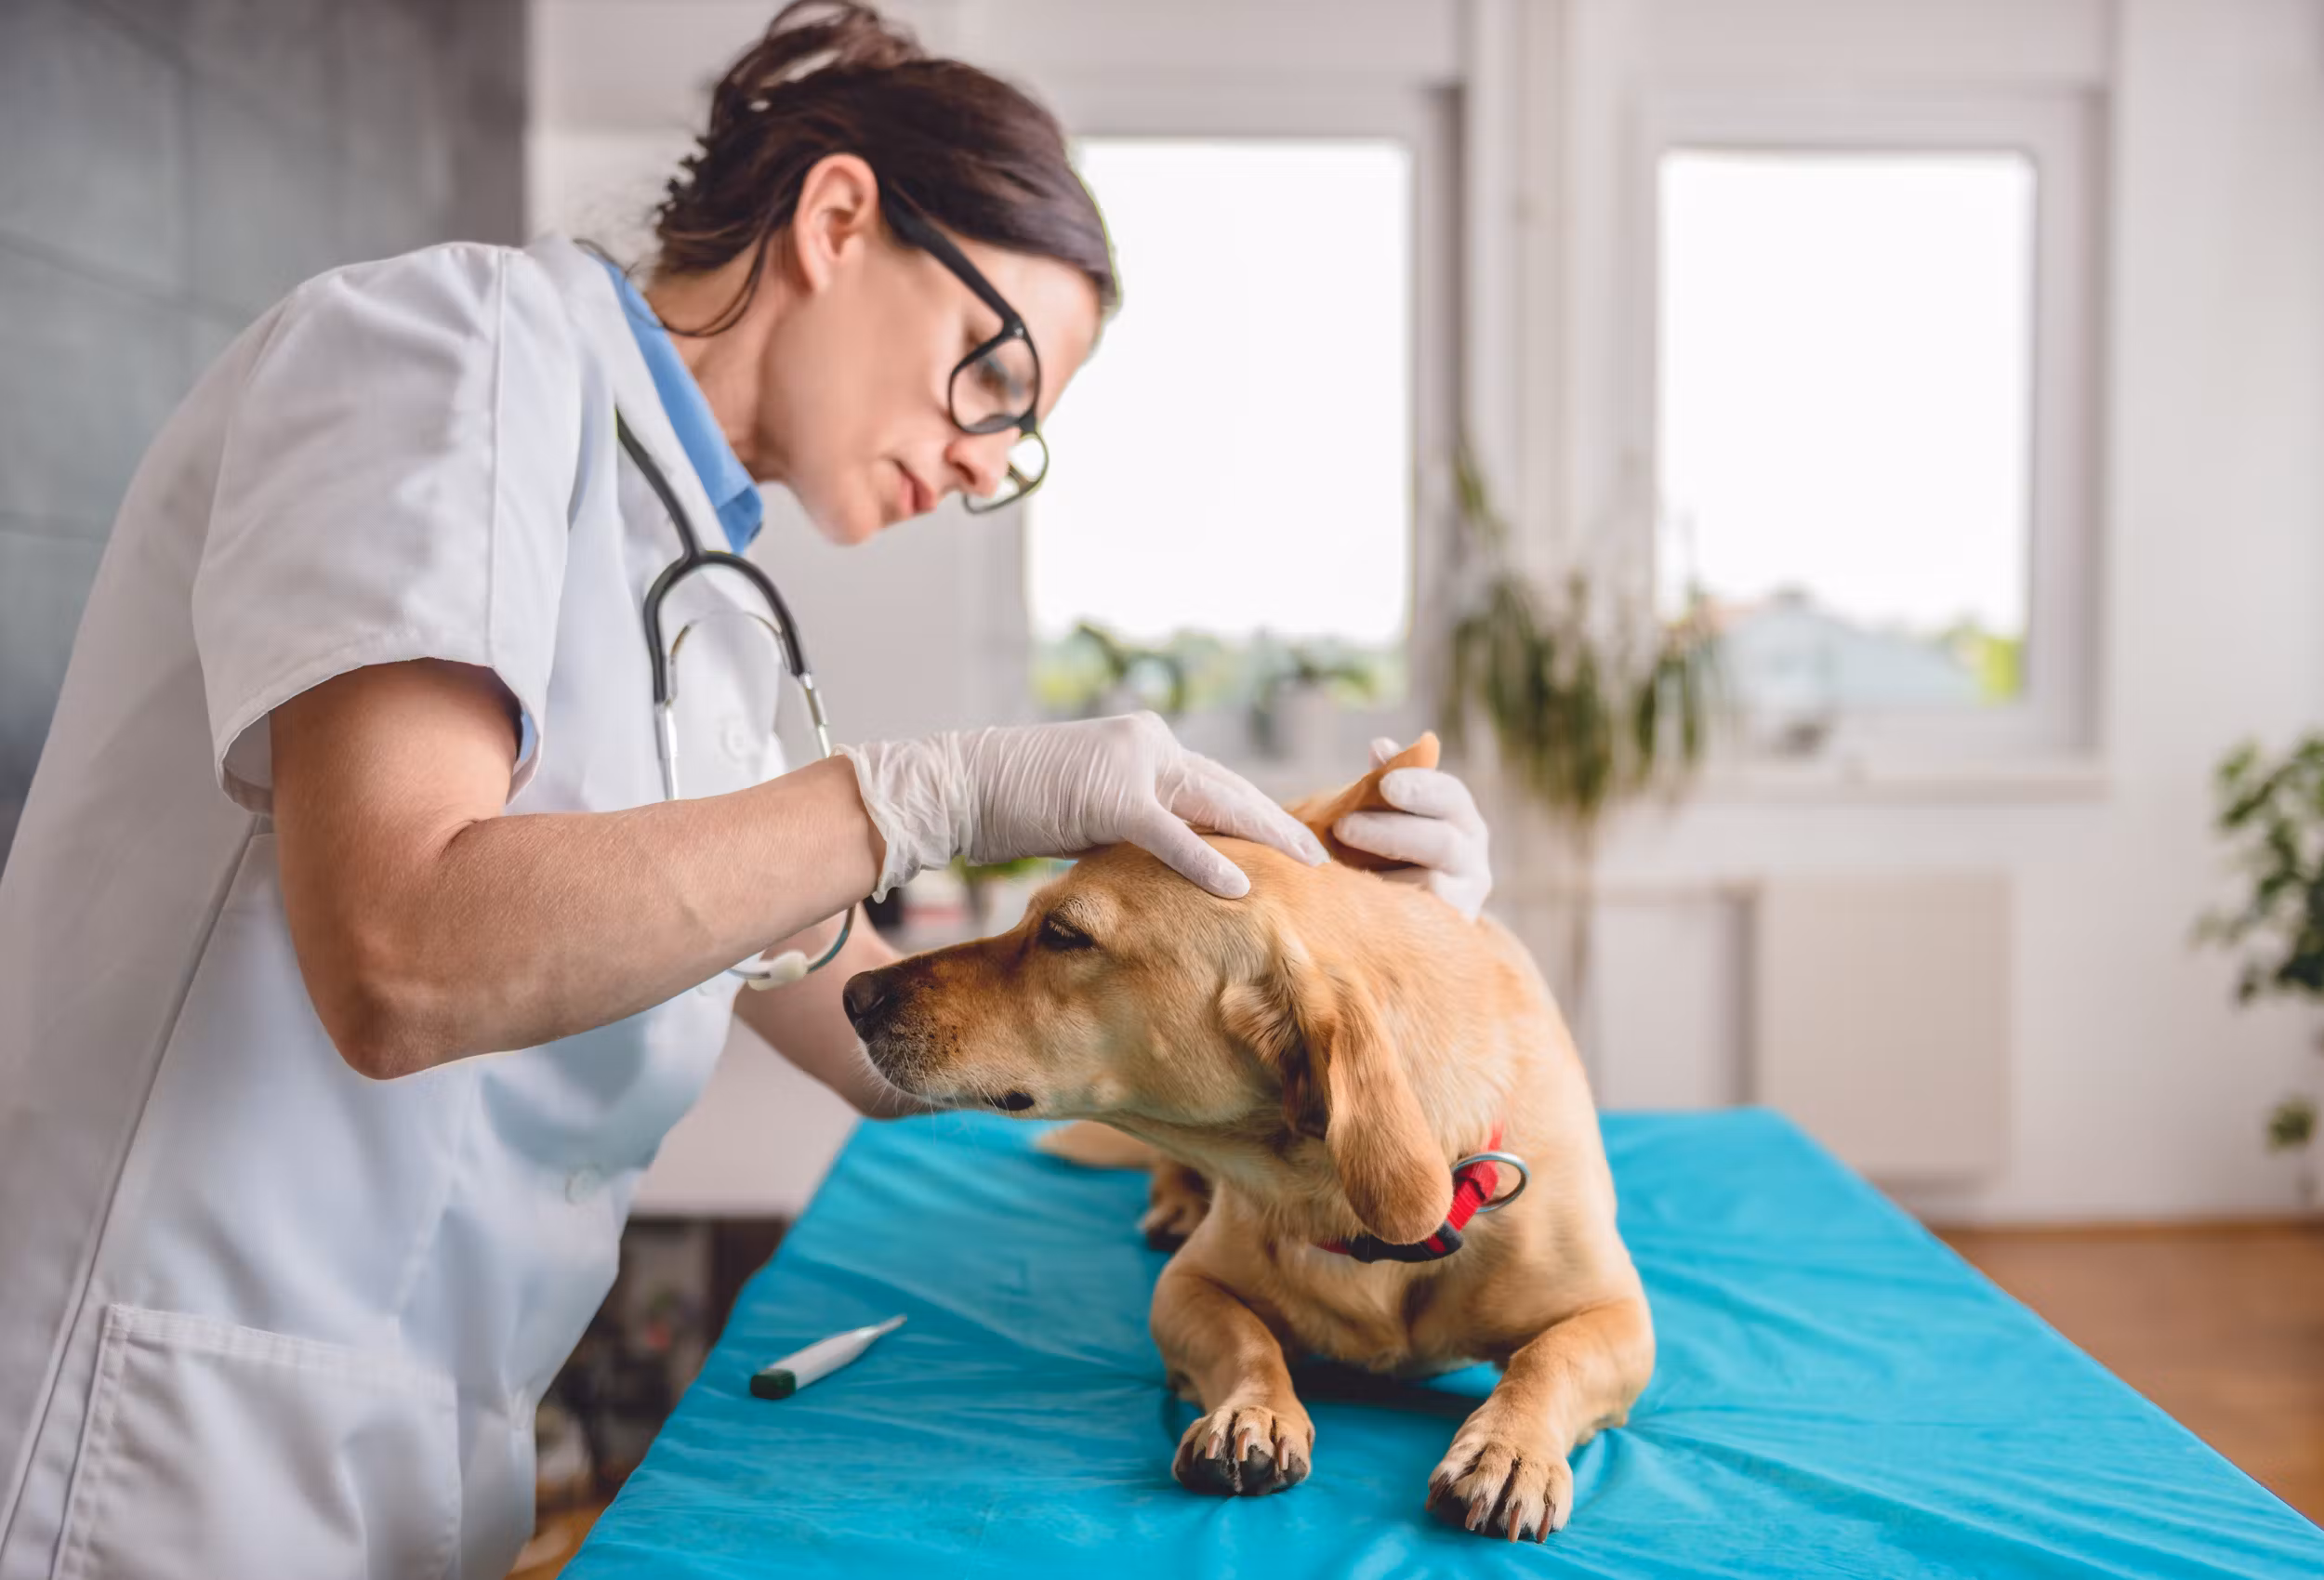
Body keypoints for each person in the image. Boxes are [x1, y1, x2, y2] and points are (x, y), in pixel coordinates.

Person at [0, 4, 1492, 1575]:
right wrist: (929, 794)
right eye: (994, 376)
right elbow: (399, 955)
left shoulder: (700, 605)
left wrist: (1353, 946)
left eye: (1027, 434)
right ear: (837, 219)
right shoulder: (453, 352)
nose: (990, 461)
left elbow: (855, 1009)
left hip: (418, 1426)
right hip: (154, 1425)